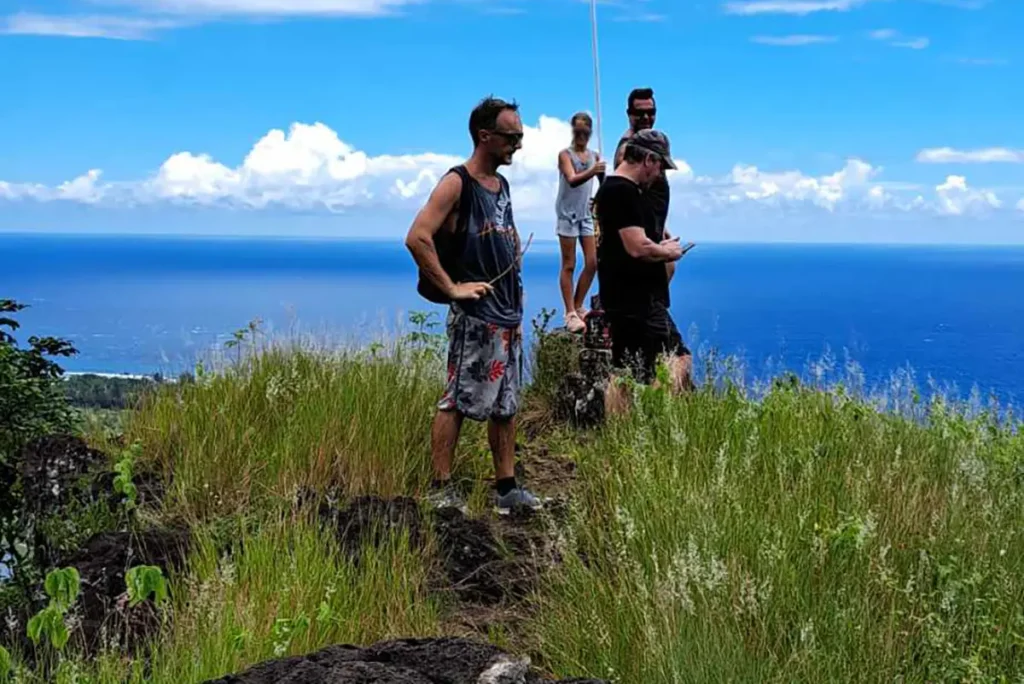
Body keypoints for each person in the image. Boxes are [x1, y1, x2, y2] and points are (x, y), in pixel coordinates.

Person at [404, 96, 543, 515]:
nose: (517, 143)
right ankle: (441, 487)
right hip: (475, 317)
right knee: (458, 399)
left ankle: (506, 487)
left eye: (520, 135)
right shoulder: (456, 182)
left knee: (506, 404)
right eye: (511, 136)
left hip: (506, 315)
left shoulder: (501, 186)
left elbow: (507, 237)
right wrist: (451, 288)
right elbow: (417, 236)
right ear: (485, 136)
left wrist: (517, 299)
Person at [594, 129, 695, 404]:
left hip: (626, 295)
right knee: (671, 362)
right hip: (635, 299)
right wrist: (669, 251)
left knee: (626, 370)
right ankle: (651, 421)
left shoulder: (617, 190)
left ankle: (622, 432)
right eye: (660, 165)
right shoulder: (622, 191)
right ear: (648, 159)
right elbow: (636, 246)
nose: (660, 173)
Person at [613, 87, 679, 284]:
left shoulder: (647, 144)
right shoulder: (629, 149)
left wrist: (661, 226)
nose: (645, 117)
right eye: (639, 112)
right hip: (642, 237)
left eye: (650, 112)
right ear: (629, 114)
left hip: (652, 229)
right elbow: (629, 196)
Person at [555, 112, 606, 333]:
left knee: (592, 262)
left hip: (585, 214)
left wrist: (602, 193)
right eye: (577, 132)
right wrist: (593, 171)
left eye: (585, 132)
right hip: (567, 214)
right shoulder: (565, 155)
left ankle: (578, 305)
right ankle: (569, 312)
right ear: (572, 131)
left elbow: (603, 185)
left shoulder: (595, 156)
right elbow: (572, 180)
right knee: (569, 264)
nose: (581, 136)